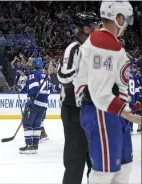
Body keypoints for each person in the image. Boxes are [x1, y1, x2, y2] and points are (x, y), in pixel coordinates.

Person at [73, 1, 142, 183]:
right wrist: (131, 116)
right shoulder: (102, 44)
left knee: (123, 168)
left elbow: (117, 85)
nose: (126, 24)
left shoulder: (109, 43)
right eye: (124, 19)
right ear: (117, 18)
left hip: (113, 112)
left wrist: (131, 106)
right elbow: (100, 95)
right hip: (102, 113)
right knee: (104, 172)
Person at [57, 12, 99, 184]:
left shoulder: (96, 49)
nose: (99, 29)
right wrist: (84, 70)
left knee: (96, 162)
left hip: (92, 110)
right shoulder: (74, 48)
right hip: (74, 111)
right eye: (95, 26)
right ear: (86, 28)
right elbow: (63, 77)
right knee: (75, 161)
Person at [19, 58, 51, 154]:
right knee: (37, 125)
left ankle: (29, 145)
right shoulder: (46, 75)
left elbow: (34, 88)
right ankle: (35, 145)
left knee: (27, 123)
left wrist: (31, 99)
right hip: (43, 104)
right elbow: (49, 91)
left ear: (33, 65)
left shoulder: (33, 73)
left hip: (34, 103)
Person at [128, 64, 142, 133]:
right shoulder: (134, 76)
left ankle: (129, 127)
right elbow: (137, 89)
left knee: (128, 113)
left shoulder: (125, 75)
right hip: (133, 98)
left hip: (126, 98)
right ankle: (130, 127)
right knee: (131, 113)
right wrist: (136, 99)